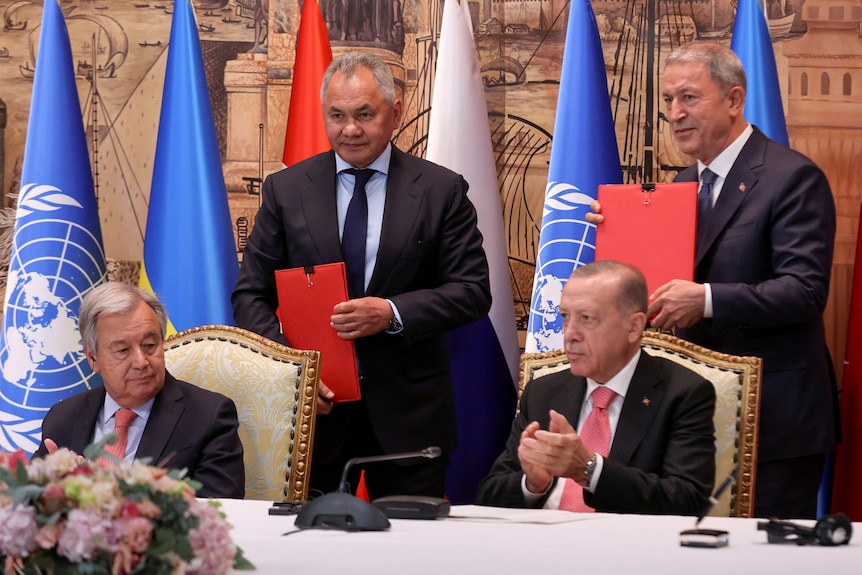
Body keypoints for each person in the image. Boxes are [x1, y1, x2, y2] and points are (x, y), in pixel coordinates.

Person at [590, 42, 836, 519]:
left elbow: (805, 290)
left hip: (773, 421)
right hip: (690, 418)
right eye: (667, 101)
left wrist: (704, 300)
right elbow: (656, 292)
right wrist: (616, 236)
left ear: (734, 99)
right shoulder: (680, 186)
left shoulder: (792, 177)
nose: (675, 113)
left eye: (689, 97)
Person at [232, 51, 491, 499]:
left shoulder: (440, 190)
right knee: (311, 557)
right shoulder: (287, 189)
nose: (350, 129)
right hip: (315, 414)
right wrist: (293, 375)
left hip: (411, 418)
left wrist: (391, 312)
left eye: (365, 114)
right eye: (337, 115)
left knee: (413, 555)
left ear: (395, 111)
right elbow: (249, 294)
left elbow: (472, 291)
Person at [476, 260, 716, 515]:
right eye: (566, 317)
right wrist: (533, 484)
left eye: (587, 318)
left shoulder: (683, 393)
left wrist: (589, 469)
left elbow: (688, 500)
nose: (570, 334)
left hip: (627, 549)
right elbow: (488, 494)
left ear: (634, 327)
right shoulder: (544, 392)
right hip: (544, 546)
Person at [33, 283, 245, 499]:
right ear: (93, 358)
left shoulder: (208, 417)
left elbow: (219, 514)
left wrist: (99, 499)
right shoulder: (62, 418)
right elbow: (27, 504)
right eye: (123, 350)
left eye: (150, 345)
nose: (141, 361)